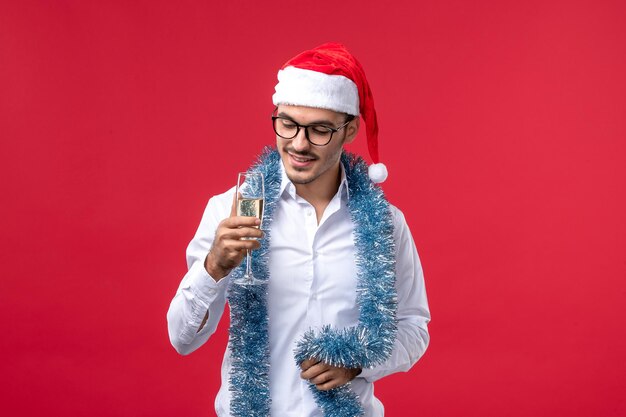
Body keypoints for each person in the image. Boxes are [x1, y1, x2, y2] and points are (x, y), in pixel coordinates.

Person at [167, 43, 430, 417]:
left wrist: (357, 363)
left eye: (319, 130)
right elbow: (181, 338)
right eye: (287, 124)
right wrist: (213, 267)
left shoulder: (386, 223)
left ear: (349, 129)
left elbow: (413, 327)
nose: (299, 144)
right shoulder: (228, 211)